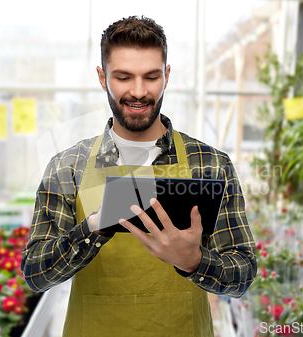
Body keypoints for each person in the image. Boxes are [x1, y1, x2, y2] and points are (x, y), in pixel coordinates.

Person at [21, 15, 257, 337]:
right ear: (103, 78)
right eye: (123, 77)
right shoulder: (68, 167)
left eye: (151, 77)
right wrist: (91, 227)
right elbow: (36, 273)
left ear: (167, 76)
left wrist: (194, 260)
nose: (138, 91)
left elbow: (243, 272)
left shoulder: (210, 164)